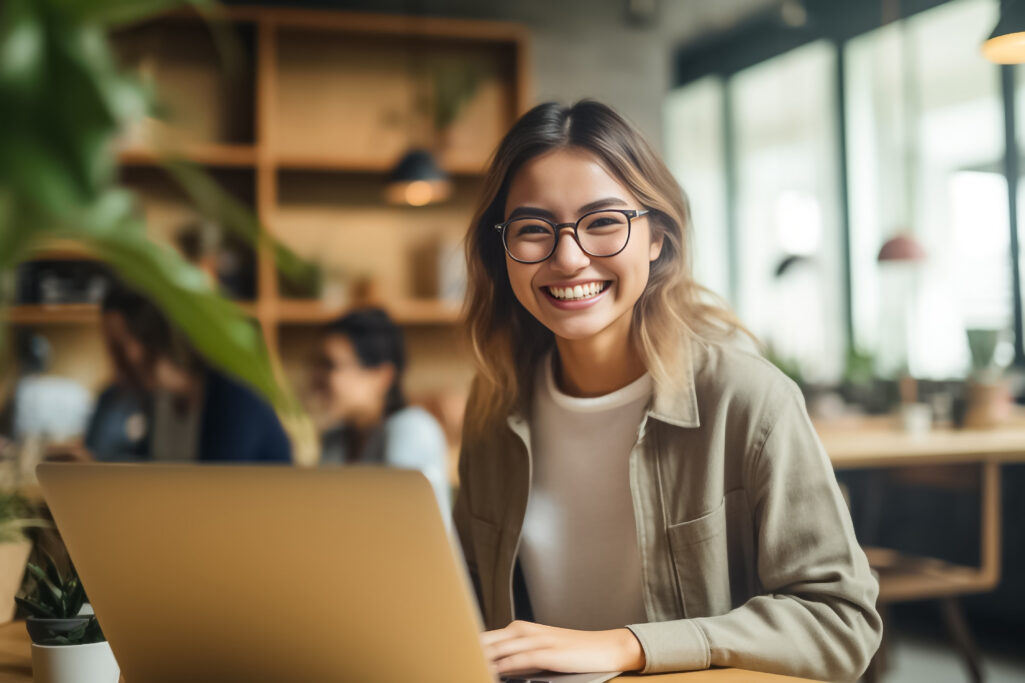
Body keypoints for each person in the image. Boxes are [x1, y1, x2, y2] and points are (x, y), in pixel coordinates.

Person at [453, 100, 882, 682]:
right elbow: (467, 608)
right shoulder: (493, 409)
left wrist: (628, 646)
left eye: (603, 222)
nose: (569, 257)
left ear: (657, 238)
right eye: (533, 230)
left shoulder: (748, 400)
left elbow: (841, 623)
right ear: (502, 252)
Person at [102, 282, 291, 464]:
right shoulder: (158, 399)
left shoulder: (235, 397)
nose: (115, 359)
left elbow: (216, 488)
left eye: (119, 346)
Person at [314, 308, 450, 513]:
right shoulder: (335, 439)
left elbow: (400, 526)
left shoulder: (411, 430)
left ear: (382, 376)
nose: (317, 379)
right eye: (318, 365)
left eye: (331, 365)